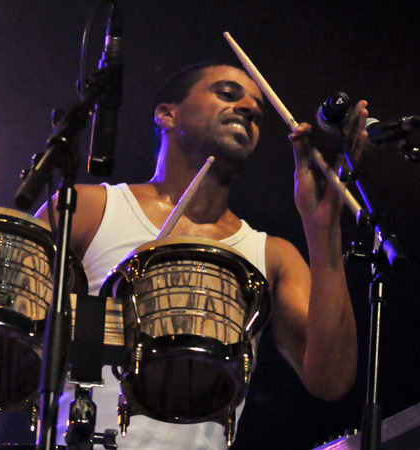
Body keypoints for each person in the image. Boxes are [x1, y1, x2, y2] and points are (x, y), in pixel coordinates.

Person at [36, 60, 368, 449]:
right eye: (227, 94)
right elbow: (8, 330)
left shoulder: (272, 256)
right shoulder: (85, 210)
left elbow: (331, 381)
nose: (248, 108)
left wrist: (323, 228)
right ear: (167, 115)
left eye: (258, 113)